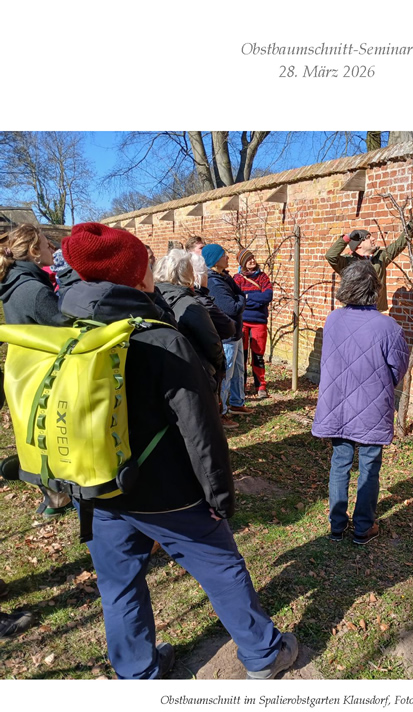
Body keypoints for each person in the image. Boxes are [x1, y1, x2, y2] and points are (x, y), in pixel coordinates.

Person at [57, 222, 298, 680]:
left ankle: (138, 672)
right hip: (168, 493)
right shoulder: (160, 339)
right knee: (222, 566)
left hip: (97, 486)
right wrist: (220, 498)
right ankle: (264, 655)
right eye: (146, 264)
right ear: (135, 276)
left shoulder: (66, 327)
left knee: (118, 584)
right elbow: (201, 431)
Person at [312, 261, 409, 544]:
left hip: (337, 404)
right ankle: (363, 527)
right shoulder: (388, 326)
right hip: (372, 405)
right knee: (369, 465)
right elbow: (398, 367)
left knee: (340, 462)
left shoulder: (333, 319)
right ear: (374, 289)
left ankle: (337, 525)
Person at [0, 225, 74, 517]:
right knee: (51, 434)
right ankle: (56, 497)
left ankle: (50, 493)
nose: (51, 249)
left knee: (38, 431)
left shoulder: (15, 283)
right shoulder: (32, 290)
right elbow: (65, 326)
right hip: (45, 372)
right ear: (33, 252)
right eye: (45, 245)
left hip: (27, 370)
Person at [153, 249, 225, 395]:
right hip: (195, 380)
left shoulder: (150, 300)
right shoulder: (191, 306)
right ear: (187, 275)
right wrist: (219, 367)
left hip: (159, 380)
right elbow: (212, 343)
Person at [325, 211, 413, 312]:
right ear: (358, 245)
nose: (373, 239)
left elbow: (400, 243)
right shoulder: (348, 262)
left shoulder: (381, 257)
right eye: (368, 237)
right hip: (354, 311)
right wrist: (348, 237)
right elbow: (330, 256)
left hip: (375, 310)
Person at [203, 244, 247, 424]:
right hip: (227, 336)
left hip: (236, 333)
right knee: (225, 376)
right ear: (214, 260)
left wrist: (240, 298)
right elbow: (231, 307)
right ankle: (221, 412)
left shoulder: (225, 276)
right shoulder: (214, 281)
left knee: (238, 371)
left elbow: (239, 295)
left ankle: (236, 403)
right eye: (223, 255)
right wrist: (242, 299)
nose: (227, 257)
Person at [234, 248, 274, 398]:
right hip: (242, 322)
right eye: (248, 259)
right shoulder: (237, 278)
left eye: (252, 257)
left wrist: (248, 298)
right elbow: (238, 298)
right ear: (243, 263)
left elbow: (267, 296)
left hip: (259, 322)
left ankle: (261, 386)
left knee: (258, 355)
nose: (252, 260)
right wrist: (255, 299)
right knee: (242, 355)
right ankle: (241, 385)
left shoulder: (263, 277)